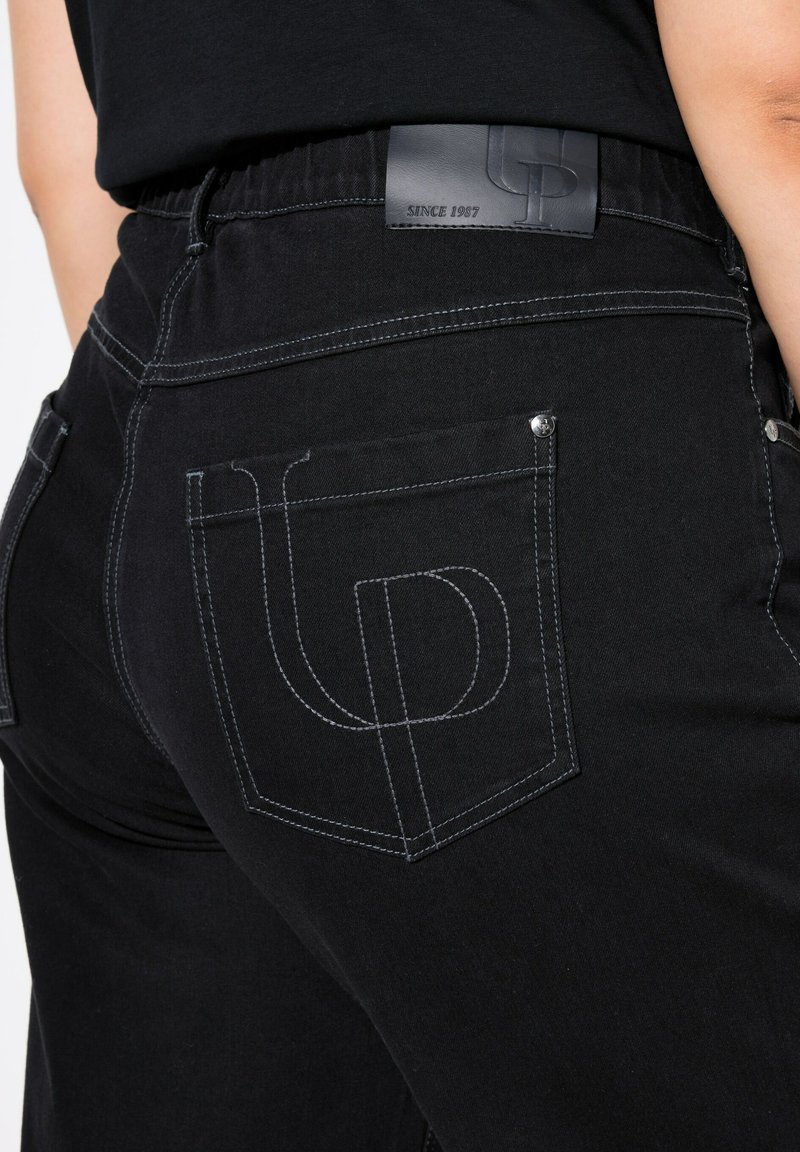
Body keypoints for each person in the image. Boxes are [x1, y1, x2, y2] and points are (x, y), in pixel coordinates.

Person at [2, 0, 800, 1148]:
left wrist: (222, 480)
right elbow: (771, 89)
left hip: (128, 447)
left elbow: (63, 158)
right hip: (513, 381)